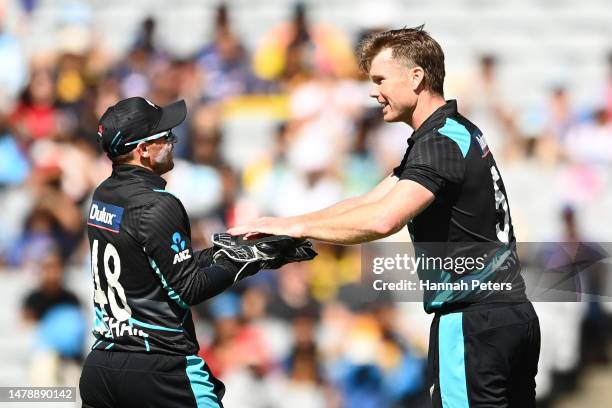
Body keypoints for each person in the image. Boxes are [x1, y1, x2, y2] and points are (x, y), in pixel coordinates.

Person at [230, 26, 540, 407]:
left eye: (380, 79)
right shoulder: (454, 133)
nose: (373, 91)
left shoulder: (440, 142)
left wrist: (296, 227)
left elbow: (382, 219)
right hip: (510, 315)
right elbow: (367, 201)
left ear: (416, 77)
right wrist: (286, 224)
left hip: (472, 321)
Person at [79, 96, 314, 408]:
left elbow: (158, 267)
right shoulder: (158, 203)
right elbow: (188, 287)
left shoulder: (104, 194)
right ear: (143, 150)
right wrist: (257, 258)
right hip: (160, 370)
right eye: (164, 135)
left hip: (102, 367)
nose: (174, 140)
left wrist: (234, 250)